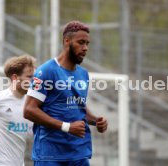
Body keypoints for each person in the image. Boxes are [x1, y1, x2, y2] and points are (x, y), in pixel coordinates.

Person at [23, 21, 108, 166]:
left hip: (78, 154)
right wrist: (67, 127)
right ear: (67, 41)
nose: (85, 48)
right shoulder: (46, 71)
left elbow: (76, 107)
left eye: (87, 43)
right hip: (50, 155)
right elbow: (29, 110)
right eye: (81, 42)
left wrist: (96, 121)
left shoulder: (83, 74)